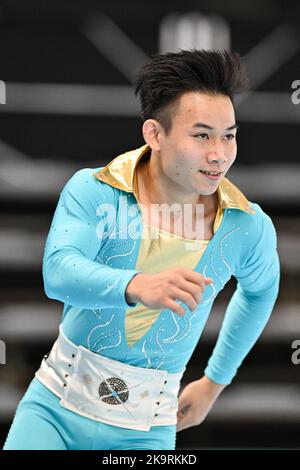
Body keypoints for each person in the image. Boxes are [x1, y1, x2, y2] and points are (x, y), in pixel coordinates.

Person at [3, 49, 280, 450]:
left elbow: (262, 290)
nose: (219, 154)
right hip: (52, 411)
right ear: (155, 134)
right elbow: (59, 273)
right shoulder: (94, 190)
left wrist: (216, 379)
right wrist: (136, 285)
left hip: (146, 433)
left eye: (229, 135)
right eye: (202, 135)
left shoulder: (247, 226)